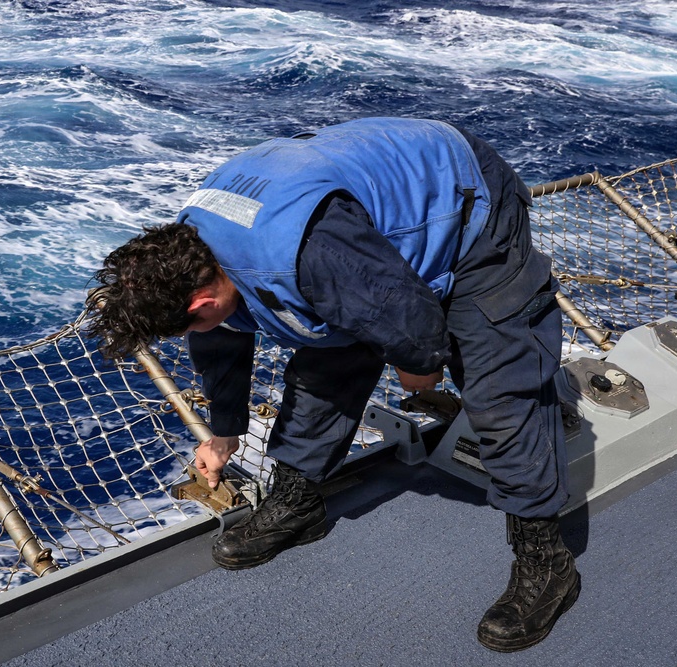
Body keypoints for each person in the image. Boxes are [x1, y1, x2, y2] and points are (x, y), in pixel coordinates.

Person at [87, 117, 579, 652]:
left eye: (187, 326)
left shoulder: (308, 255)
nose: (194, 334)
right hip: (351, 238)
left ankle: (546, 561)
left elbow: (412, 322)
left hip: (466, 202)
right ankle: (299, 503)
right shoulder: (192, 251)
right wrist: (224, 431)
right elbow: (222, 336)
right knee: (328, 357)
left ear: (203, 301)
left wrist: (420, 363)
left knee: (499, 391)